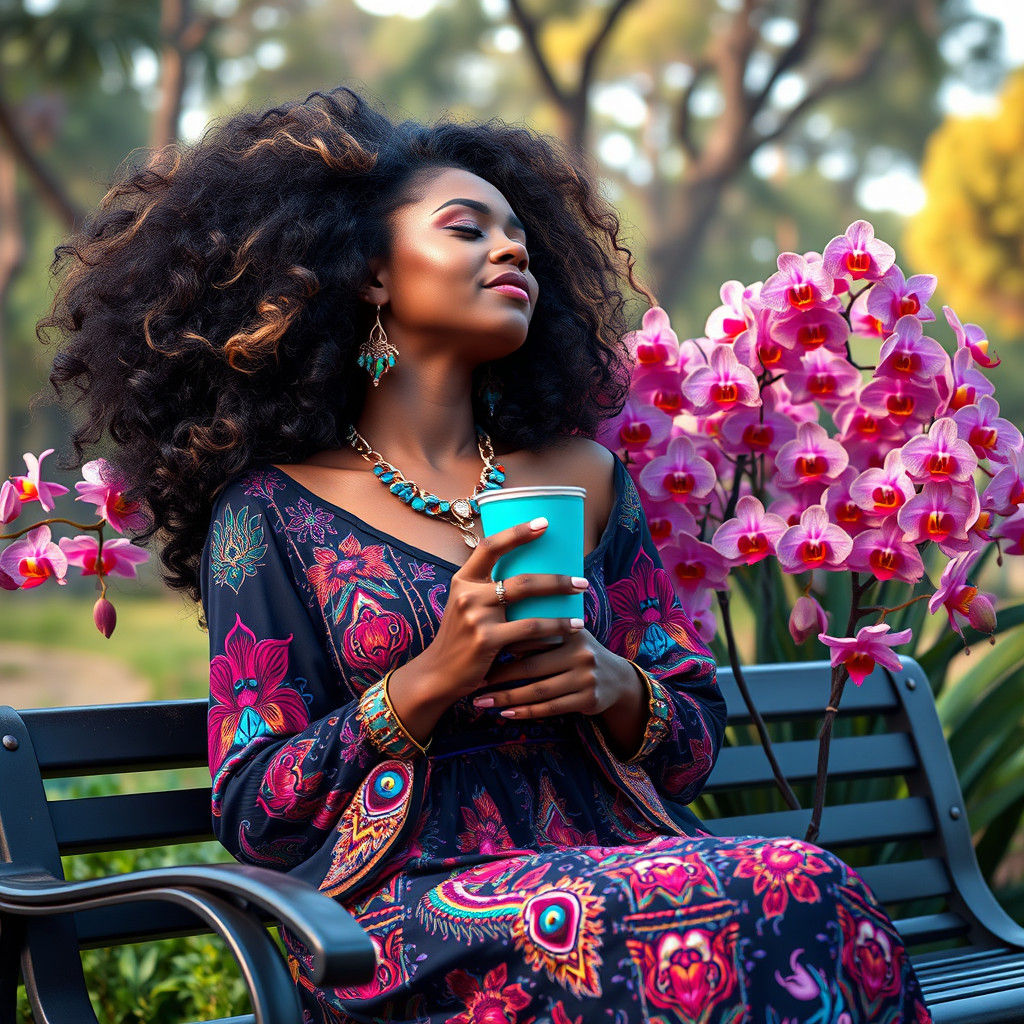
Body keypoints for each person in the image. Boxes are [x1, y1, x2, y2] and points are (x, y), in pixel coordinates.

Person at [41, 87, 932, 1023]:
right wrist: (429, 678)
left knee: (801, 884)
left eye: (519, 236)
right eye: (467, 229)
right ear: (371, 275)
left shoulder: (586, 479)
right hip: (402, 921)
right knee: (760, 899)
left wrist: (615, 684)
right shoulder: (270, 514)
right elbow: (256, 810)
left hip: (624, 867)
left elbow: (692, 740)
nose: (512, 250)